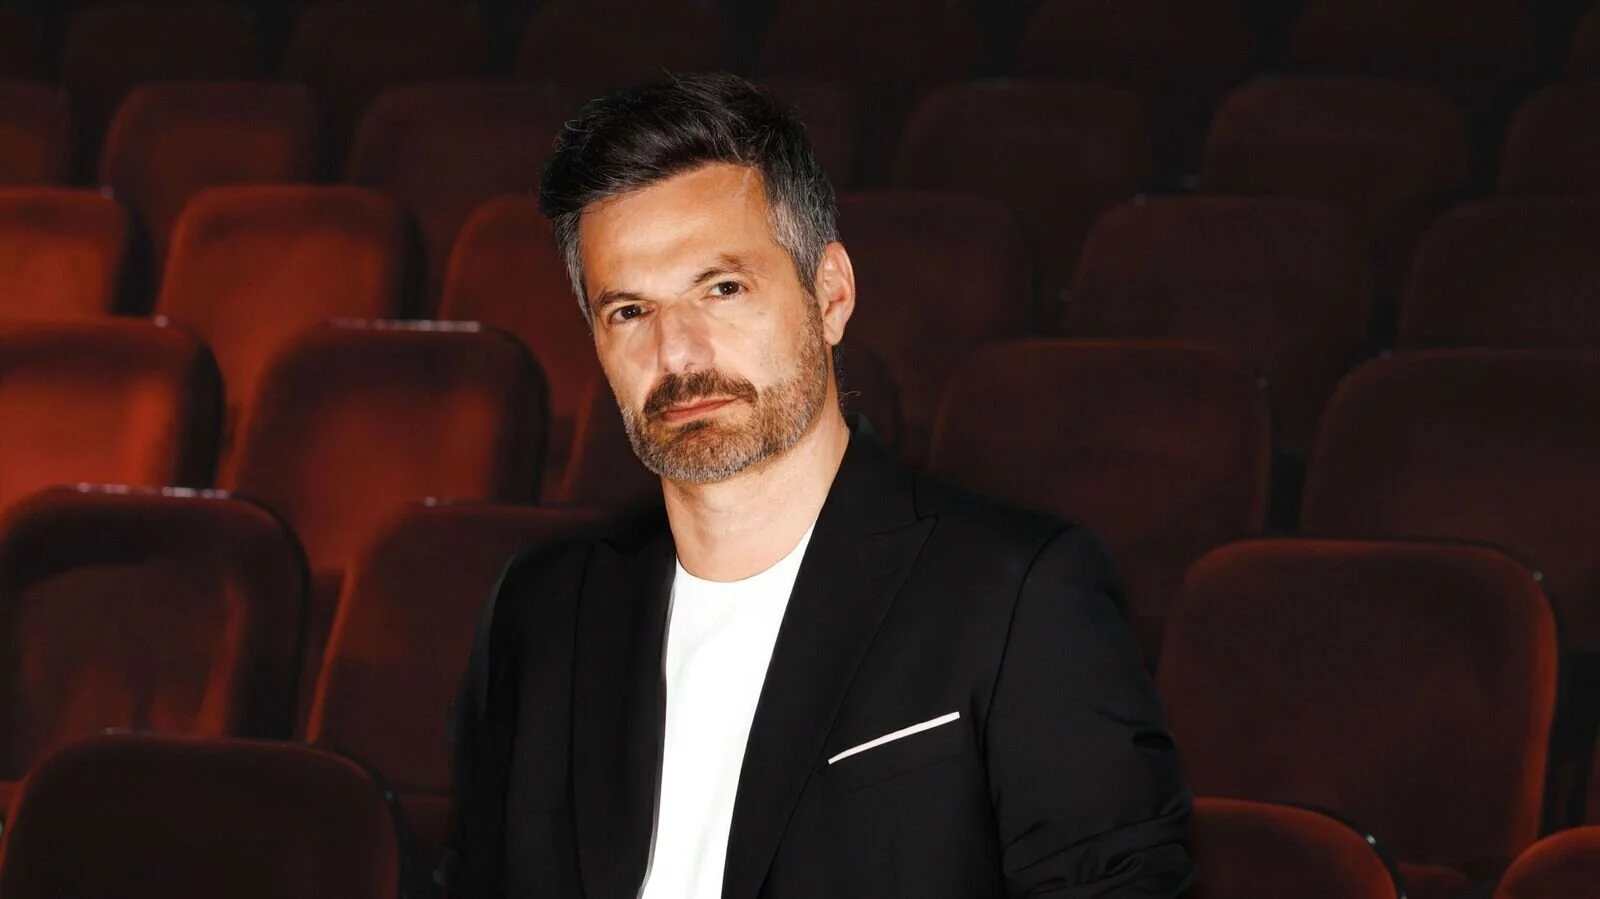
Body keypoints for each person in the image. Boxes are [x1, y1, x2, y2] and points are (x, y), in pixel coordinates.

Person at [437, 72, 1195, 899]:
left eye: (722, 288)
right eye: (629, 311)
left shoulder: (1019, 594)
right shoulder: (539, 608)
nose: (677, 352)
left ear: (830, 295)